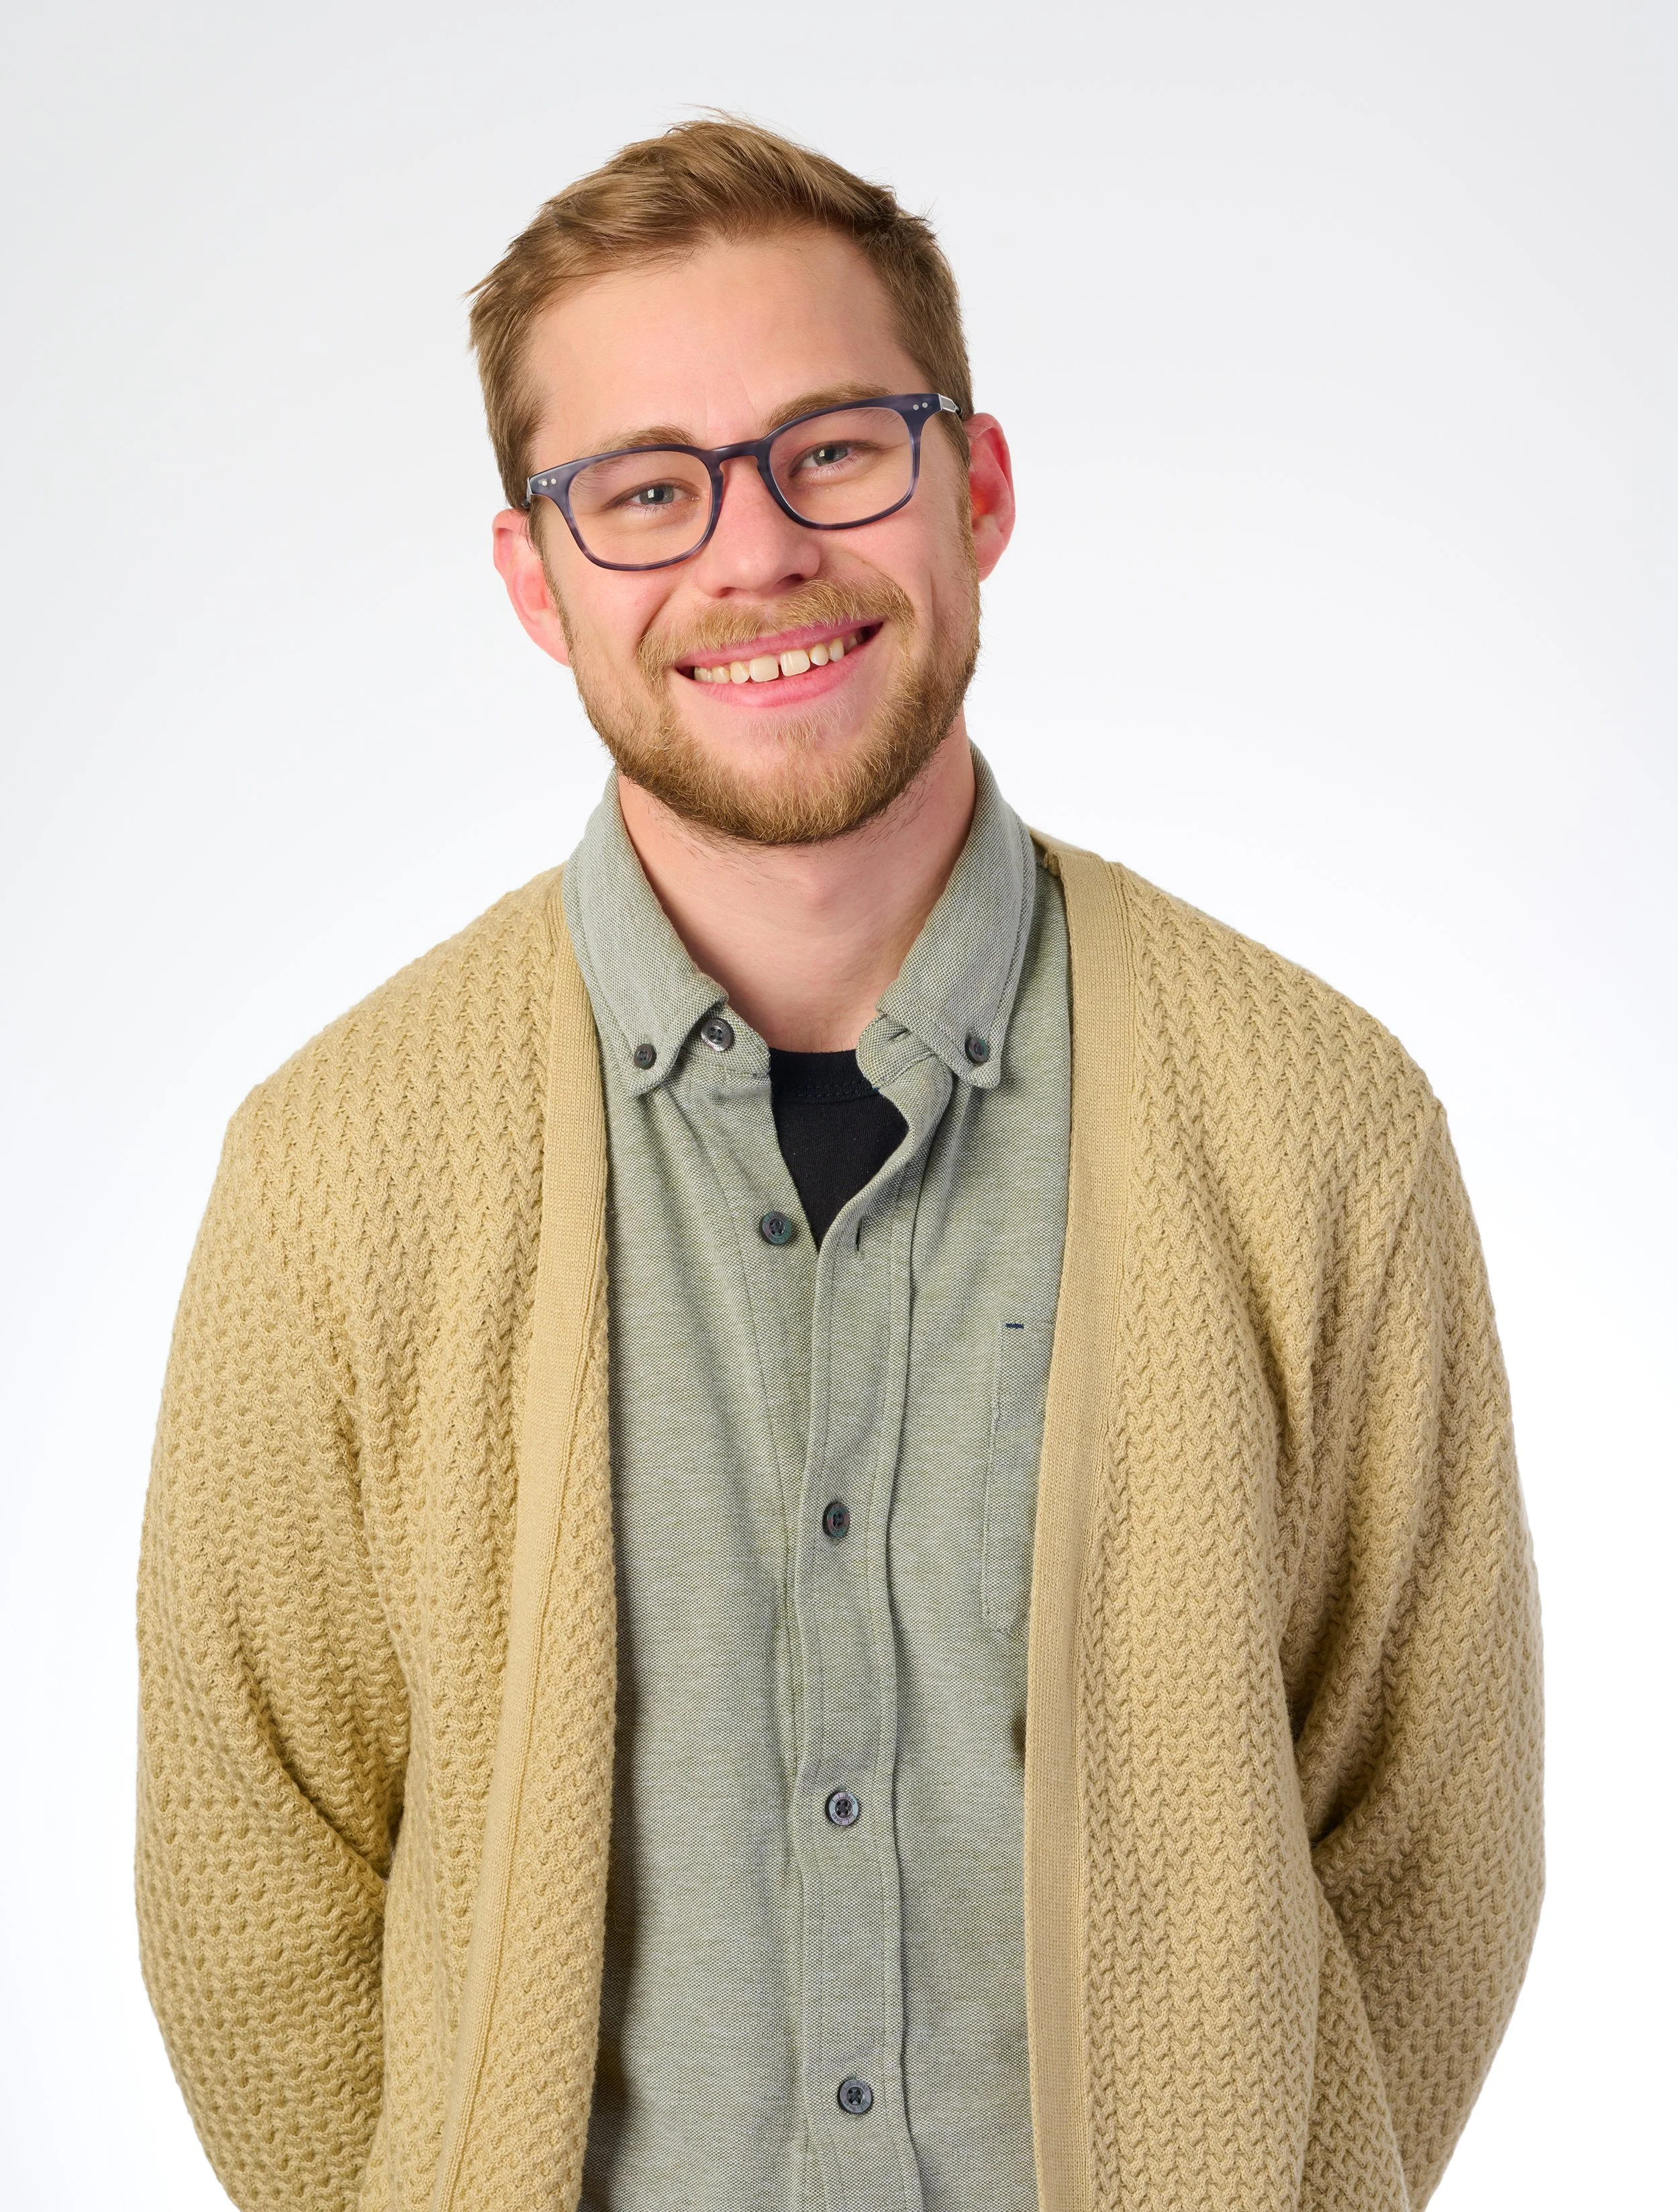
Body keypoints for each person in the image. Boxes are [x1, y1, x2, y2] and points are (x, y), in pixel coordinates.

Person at [136, 118, 1542, 2212]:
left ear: (973, 487)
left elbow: (1432, 1832)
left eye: (832, 452)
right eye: (646, 490)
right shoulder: (337, 1175)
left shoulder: (1314, 1125)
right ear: (537, 579)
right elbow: (249, 1862)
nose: (754, 554)